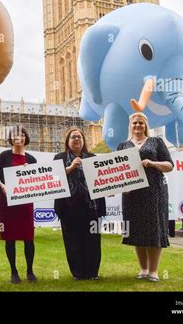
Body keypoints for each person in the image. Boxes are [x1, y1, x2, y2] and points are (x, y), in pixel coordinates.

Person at [116, 112, 173, 282]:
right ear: (130, 126)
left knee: (154, 229)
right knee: (136, 229)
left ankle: (154, 271)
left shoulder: (156, 142)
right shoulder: (122, 146)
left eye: (141, 123)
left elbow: (170, 165)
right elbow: (118, 171)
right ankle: (143, 268)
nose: (138, 126)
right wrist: (121, 187)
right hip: (131, 194)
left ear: (145, 125)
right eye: (135, 123)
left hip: (154, 192)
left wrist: (153, 163)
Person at [53, 127, 106, 281]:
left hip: (91, 207)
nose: (76, 140)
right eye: (73, 137)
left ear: (83, 141)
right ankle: (78, 273)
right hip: (68, 207)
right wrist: (71, 167)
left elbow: (102, 179)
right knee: (72, 241)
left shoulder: (92, 157)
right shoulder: (60, 158)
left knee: (92, 241)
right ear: (67, 141)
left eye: (79, 137)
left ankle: (92, 272)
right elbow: (54, 179)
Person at [0, 126, 37, 284]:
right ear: (11, 139)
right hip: (6, 203)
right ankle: (14, 271)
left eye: (21, 135)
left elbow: (38, 180)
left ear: (25, 138)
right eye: (14, 135)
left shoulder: (32, 159)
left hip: (25, 203)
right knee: (10, 237)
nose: (18, 138)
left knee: (28, 237)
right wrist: (2, 185)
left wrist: (29, 174)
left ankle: (30, 271)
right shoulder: (3, 157)